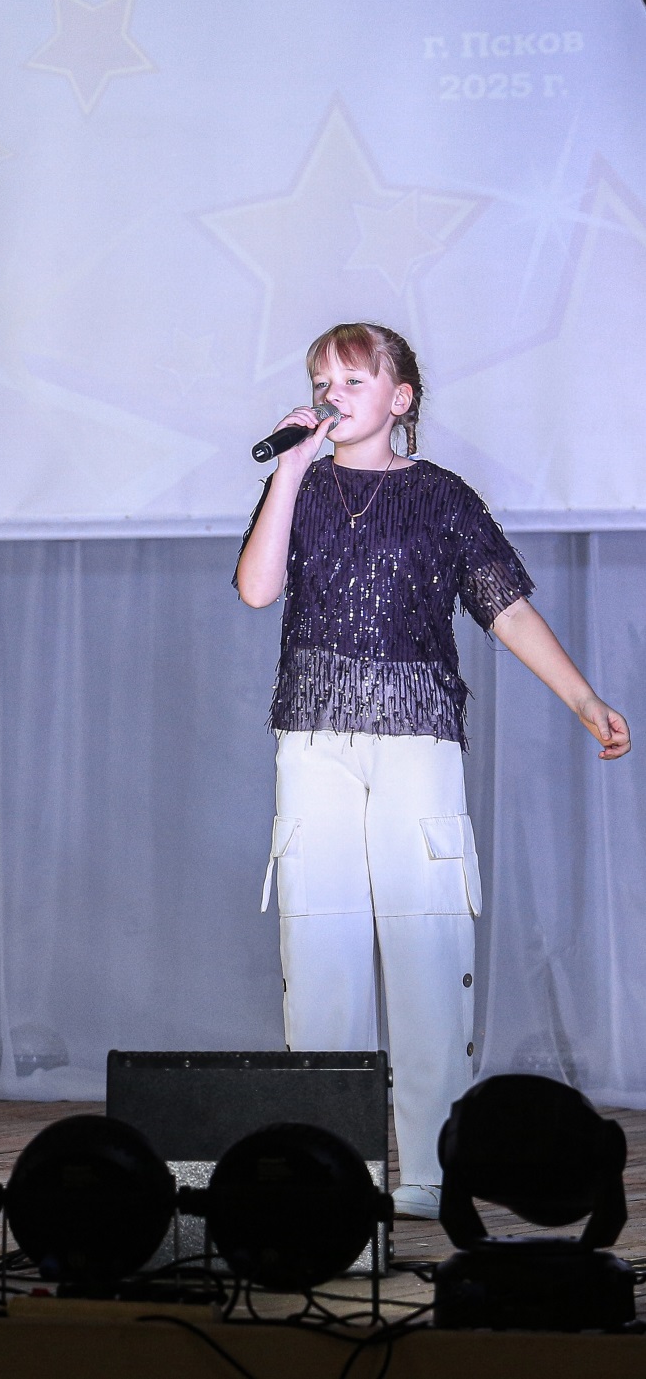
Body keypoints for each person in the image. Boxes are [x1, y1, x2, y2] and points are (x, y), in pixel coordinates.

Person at [236, 322, 629, 1219]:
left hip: (416, 737)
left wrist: (581, 698)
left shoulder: (442, 496)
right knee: (320, 953)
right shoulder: (298, 483)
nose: (331, 395)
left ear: (399, 397)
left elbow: (505, 608)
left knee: (425, 950)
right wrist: (288, 470)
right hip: (312, 739)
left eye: (351, 380)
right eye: (319, 381)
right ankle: (332, 1170)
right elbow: (257, 588)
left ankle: (426, 1172)